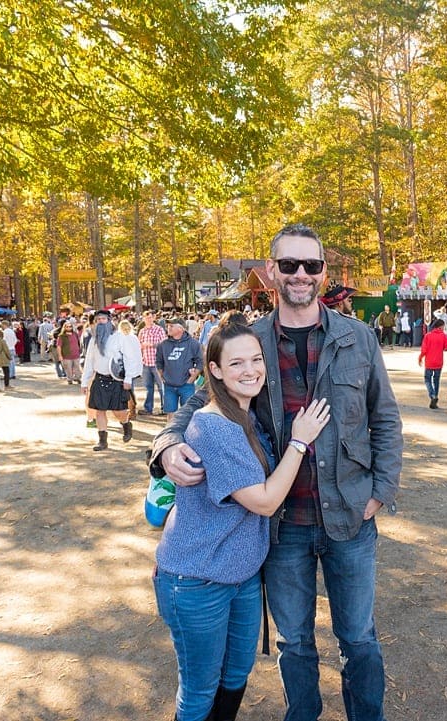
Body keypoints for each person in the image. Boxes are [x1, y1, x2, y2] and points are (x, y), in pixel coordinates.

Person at [152, 223, 402, 721]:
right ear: (272, 272)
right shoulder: (250, 343)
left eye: (311, 265)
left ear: (323, 272)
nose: (301, 275)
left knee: (359, 638)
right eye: (289, 265)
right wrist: (164, 445)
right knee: (295, 644)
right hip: (282, 526)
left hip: (350, 516)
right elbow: (204, 401)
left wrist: (380, 491)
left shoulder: (358, 338)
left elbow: (385, 418)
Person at [152, 320, 331, 721]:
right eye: (236, 363)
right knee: (200, 690)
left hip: (242, 575)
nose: (250, 370)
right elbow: (264, 502)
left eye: (256, 359)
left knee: (236, 673)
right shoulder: (214, 426)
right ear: (214, 370)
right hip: (196, 580)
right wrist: (300, 441)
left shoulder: (246, 416)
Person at [80, 309, 143, 451]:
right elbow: (89, 361)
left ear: (109, 320)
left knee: (118, 412)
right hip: (100, 378)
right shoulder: (94, 340)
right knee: (99, 411)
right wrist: (85, 382)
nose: (100, 322)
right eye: (97, 320)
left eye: (103, 319)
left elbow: (129, 358)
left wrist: (128, 378)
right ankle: (103, 441)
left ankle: (126, 423)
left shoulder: (120, 337)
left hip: (116, 379)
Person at [156, 318, 203, 415]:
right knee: (170, 414)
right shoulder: (163, 345)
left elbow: (200, 361)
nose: (168, 328)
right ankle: (171, 430)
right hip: (169, 386)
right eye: (168, 326)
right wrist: (161, 376)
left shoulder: (193, 344)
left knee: (187, 414)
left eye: (171, 326)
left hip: (186, 385)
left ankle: (186, 431)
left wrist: (193, 377)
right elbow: (159, 362)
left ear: (181, 329)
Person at [137, 310, 168, 416]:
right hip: (146, 362)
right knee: (147, 387)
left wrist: (151, 345)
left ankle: (166, 408)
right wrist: (141, 346)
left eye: (150, 318)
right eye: (146, 318)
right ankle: (148, 408)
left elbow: (164, 344)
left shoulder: (159, 330)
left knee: (162, 387)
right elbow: (138, 345)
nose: (148, 320)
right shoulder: (142, 331)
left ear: (153, 318)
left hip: (157, 363)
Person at [418, 318, 447, 409]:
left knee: (427, 379)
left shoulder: (428, 336)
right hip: (439, 362)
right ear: (440, 326)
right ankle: (435, 396)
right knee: (436, 380)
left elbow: (424, 349)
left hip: (429, 362)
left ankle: (432, 395)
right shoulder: (443, 336)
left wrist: (420, 358)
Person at [57, 319, 83, 384]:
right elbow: (59, 346)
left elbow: (78, 342)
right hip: (67, 355)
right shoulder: (61, 336)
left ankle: (77, 378)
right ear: (64, 327)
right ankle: (69, 379)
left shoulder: (75, 334)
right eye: (67, 327)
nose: (69, 328)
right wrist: (60, 355)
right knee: (68, 368)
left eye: (70, 326)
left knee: (77, 367)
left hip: (76, 354)